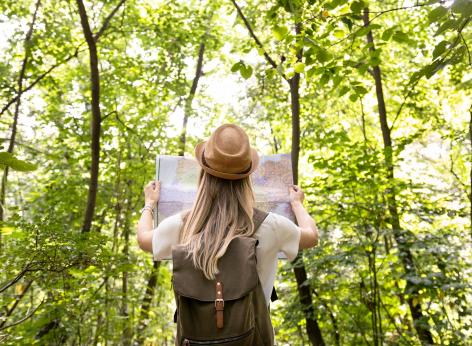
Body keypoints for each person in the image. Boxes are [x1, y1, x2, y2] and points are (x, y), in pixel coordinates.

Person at [136, 123, 319, 344]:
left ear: (203, 174)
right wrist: (297, 205)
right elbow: (311, 235)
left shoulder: (182, 224)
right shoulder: (271, 225)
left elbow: (144, 240)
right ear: (247, 178)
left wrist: (149, 204)